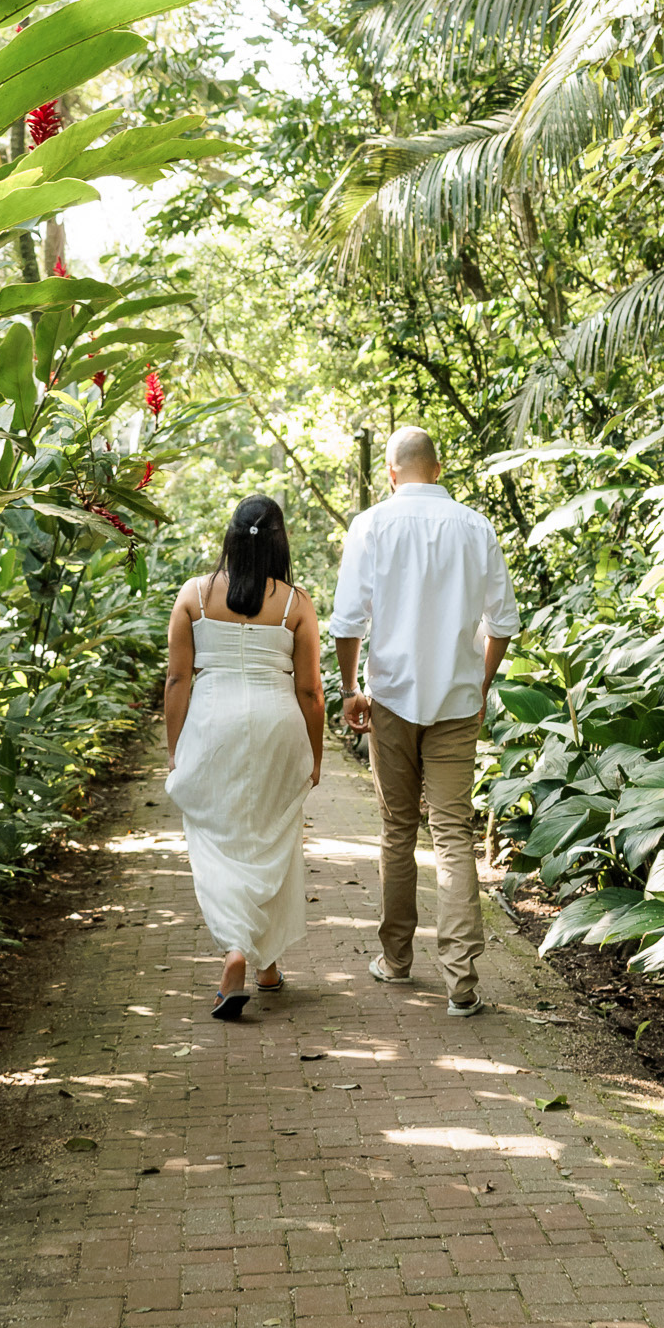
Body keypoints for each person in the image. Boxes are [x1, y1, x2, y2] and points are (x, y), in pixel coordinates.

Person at [331, 427, 519, 1017]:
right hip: (456, 704)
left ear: (390, 473)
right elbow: (503, 622)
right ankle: (461, 982)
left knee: (397, 829)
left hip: (391, 698)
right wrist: (480, 683)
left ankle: (396, 960)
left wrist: (350, 689)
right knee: (454, 833)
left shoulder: (370, 525)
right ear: (438, 469)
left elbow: (347, 622)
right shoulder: (476, 527)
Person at [164, 495, 324, 1020]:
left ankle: (238, 951)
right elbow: (310, 692)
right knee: (272, 840)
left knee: (217, 842)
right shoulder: (296, 603)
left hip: (212, 725)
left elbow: (177, 680)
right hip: (278, 726)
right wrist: (316, 755)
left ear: (230, 537)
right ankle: (265, 965)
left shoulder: (194, 595)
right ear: (280, 543)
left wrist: (175, 749)